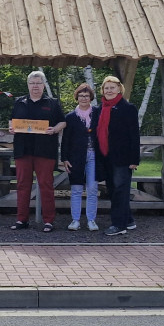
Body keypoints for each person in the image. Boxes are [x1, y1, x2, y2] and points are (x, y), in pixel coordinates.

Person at [9, 71, 66, 232]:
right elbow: (12, 120)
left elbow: (63, 122)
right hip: (23, 149)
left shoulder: (53, 103)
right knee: (22, 185)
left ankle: (48, 221)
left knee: (46, 186)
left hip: (45, 150)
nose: (35, 86)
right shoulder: (19, 102)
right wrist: (12, 128)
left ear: (43, 85)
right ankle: (22, 220)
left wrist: (54, 129)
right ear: (28, 85)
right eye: (32, 83)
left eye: (38, 83)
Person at [93, 75, 140, 236]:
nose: (109, 90)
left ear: (119, 88)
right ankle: (128, 220)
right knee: (113, 190)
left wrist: (134, 159)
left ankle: (118, 225)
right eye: (106, 88)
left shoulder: (128, 108)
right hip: (106, 156)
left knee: (120, 190)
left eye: (112, 87)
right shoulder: (99, 109)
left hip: (123, 158)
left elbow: (134, 135)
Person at [61, 83, 101, 232]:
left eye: (86, 95)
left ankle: (91, 220)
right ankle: (75, 220)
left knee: (92, 188)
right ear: (76, 97)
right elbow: (66, 139)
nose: (84, 98)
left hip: (94, 156)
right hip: (76, 157)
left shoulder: (98, 113)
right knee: (76, 189)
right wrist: (64, 158)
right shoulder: (71, 117)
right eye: (81, 95)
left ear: (91, 97)